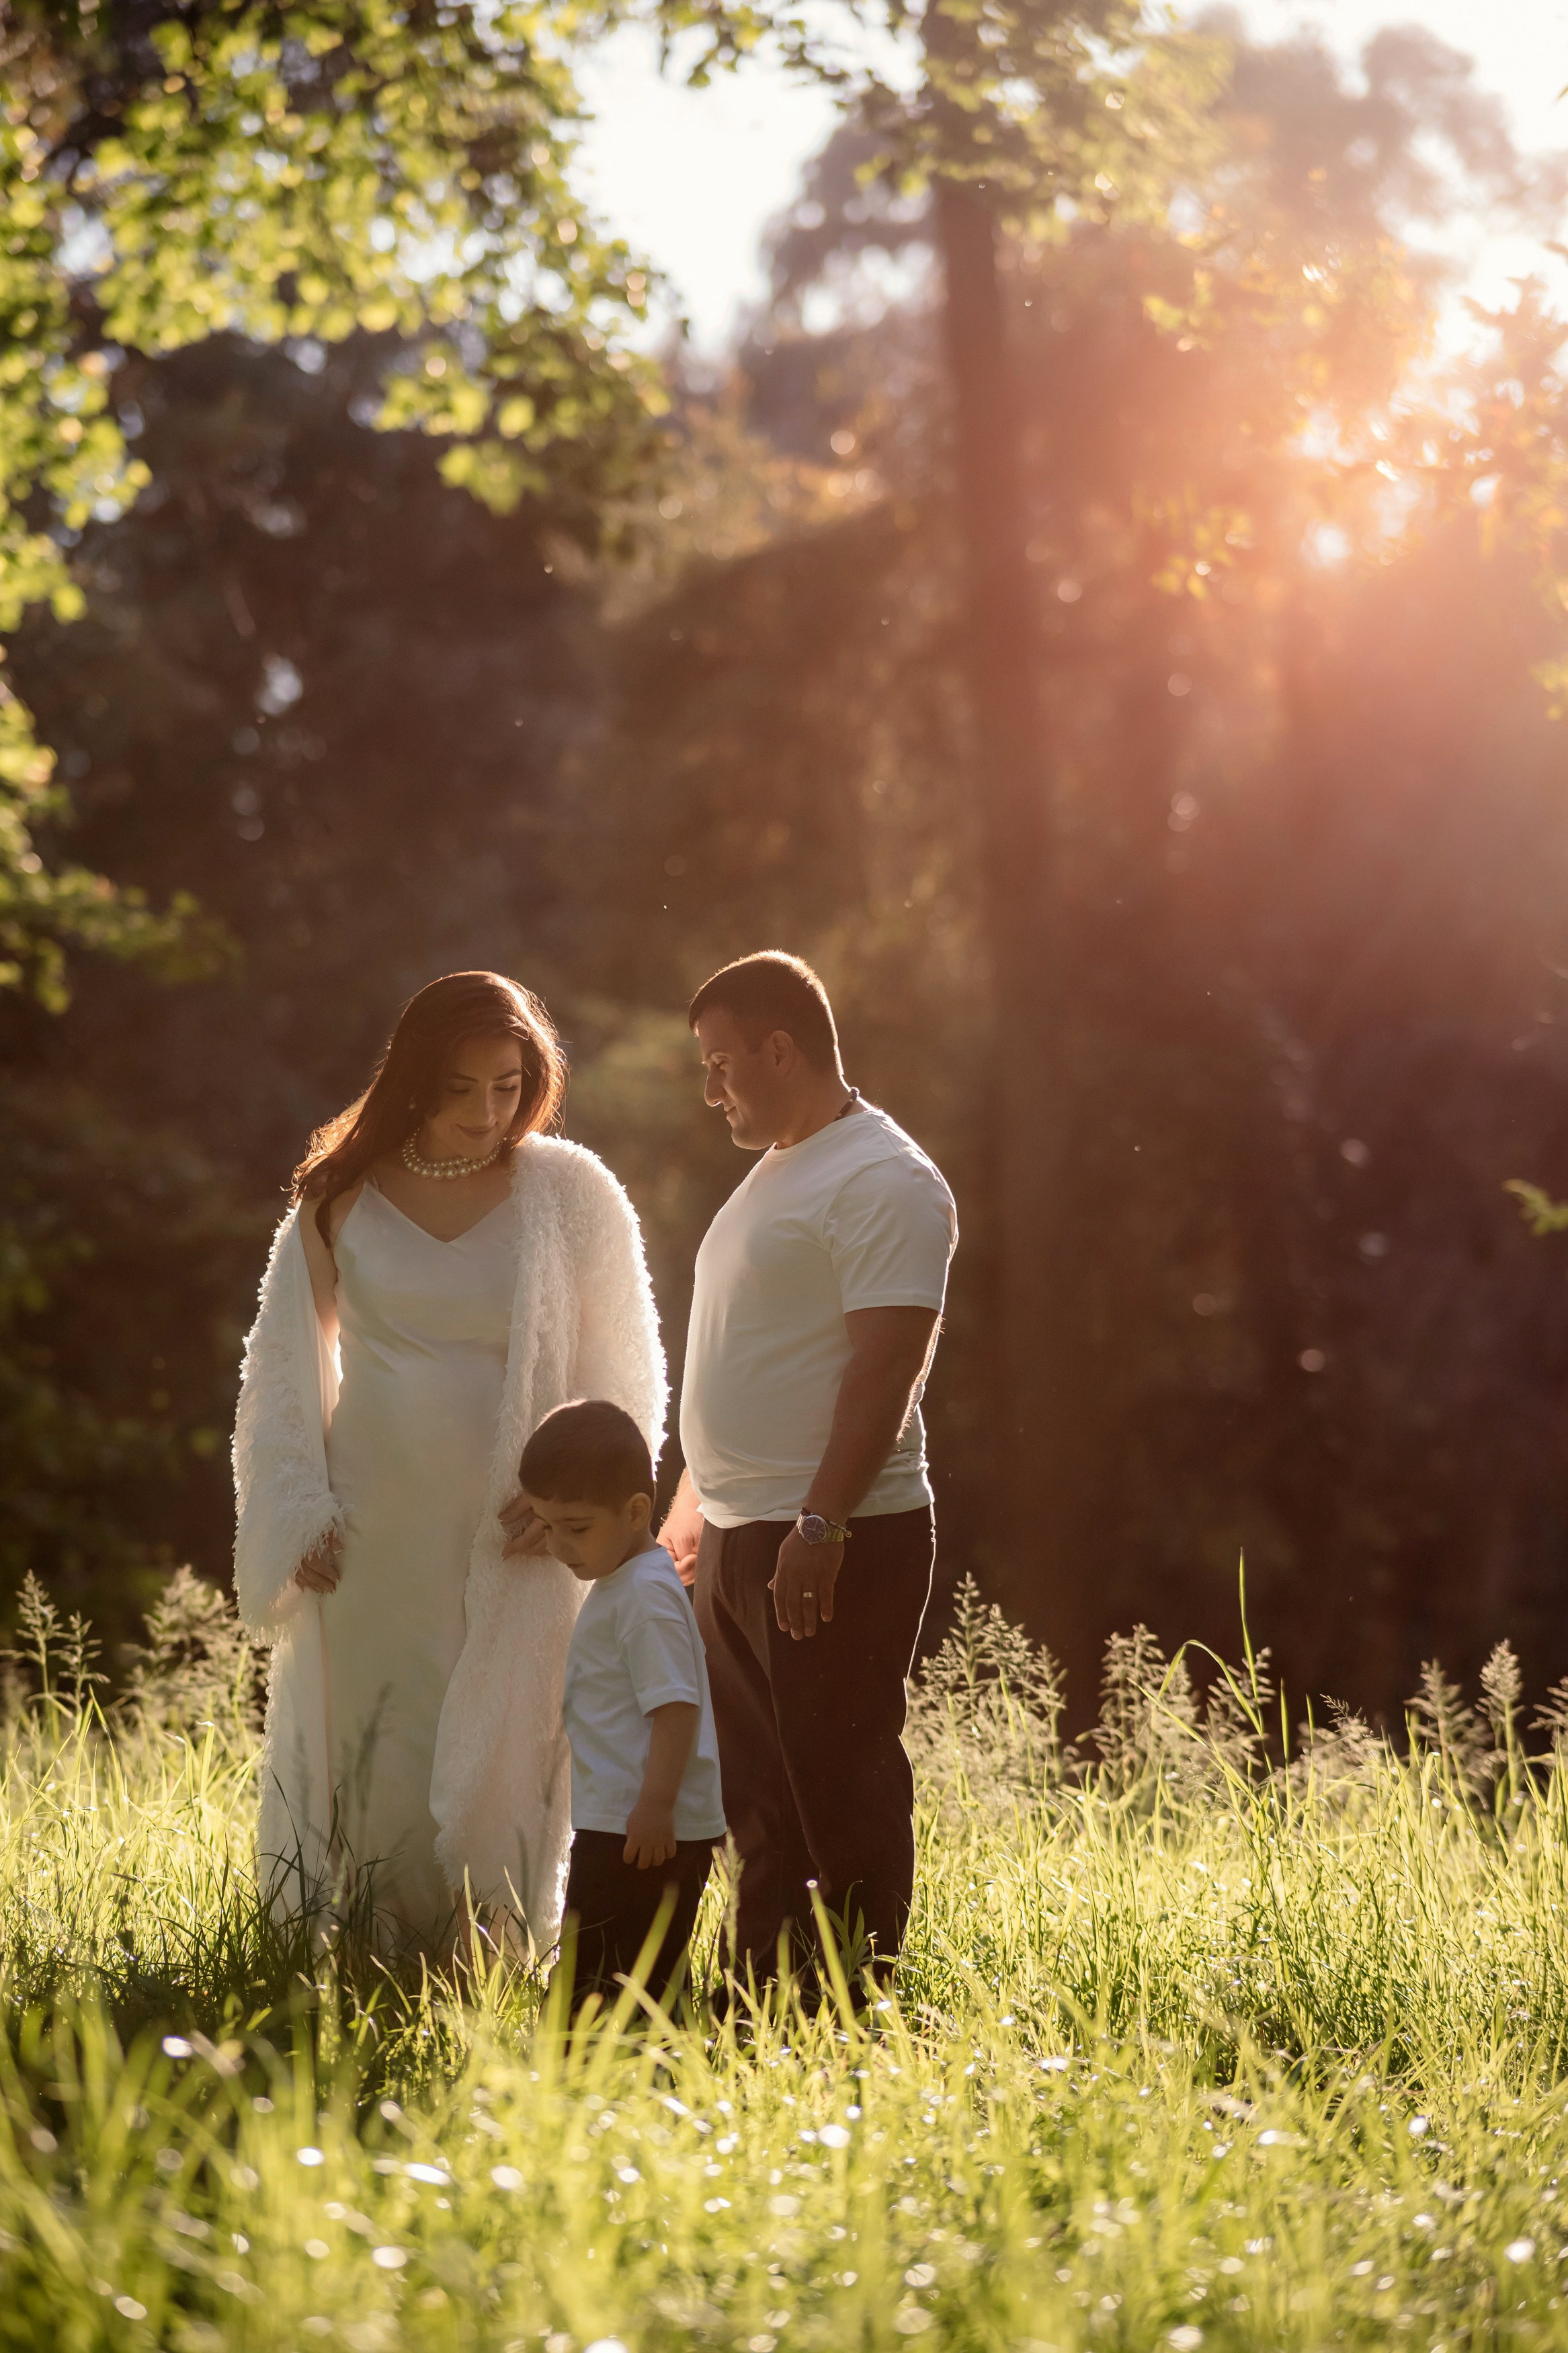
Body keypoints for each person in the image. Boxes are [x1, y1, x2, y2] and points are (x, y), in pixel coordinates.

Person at [231, 971, 665, 1954]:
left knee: (507, 1730)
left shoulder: (570, 1193)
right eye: (461, 1087)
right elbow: (283, 1371)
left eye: (508, 1086)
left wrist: (575, 1505)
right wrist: (294, 1511)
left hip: (513, 1528)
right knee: (379, 1727)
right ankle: (372, 1943)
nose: (486, 1112)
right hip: (370, 1523)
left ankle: (491, 1946)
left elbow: (623, 1363)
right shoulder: (337, 1195)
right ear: (414, 1081)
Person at [661, 951, 957, 1993]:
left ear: (779, 1049)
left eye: (721, 1063)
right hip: (743, 1534)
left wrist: (821, 1529)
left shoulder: (885, 1178)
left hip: (835, 1537)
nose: (712, 1090)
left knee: (840, 1787)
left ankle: (852, 2015)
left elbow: (888, 1368)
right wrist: (693, 1505)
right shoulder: (782, 1166)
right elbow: (754, 1347)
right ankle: (764, 2012)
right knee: (761, 1804)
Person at [519, 1399, 725, 2016]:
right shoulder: (627, 1582)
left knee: (612, 1978)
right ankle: (621, 2076)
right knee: (619, 1970)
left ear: (637, 1511)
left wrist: (656, 1806)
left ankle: (599, 2082)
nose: (557, 1544)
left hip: (643, 1828)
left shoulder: (644, 1596)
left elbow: (676, 1707)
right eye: (546, 1524)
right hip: (623, 1819)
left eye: (575, 1527)